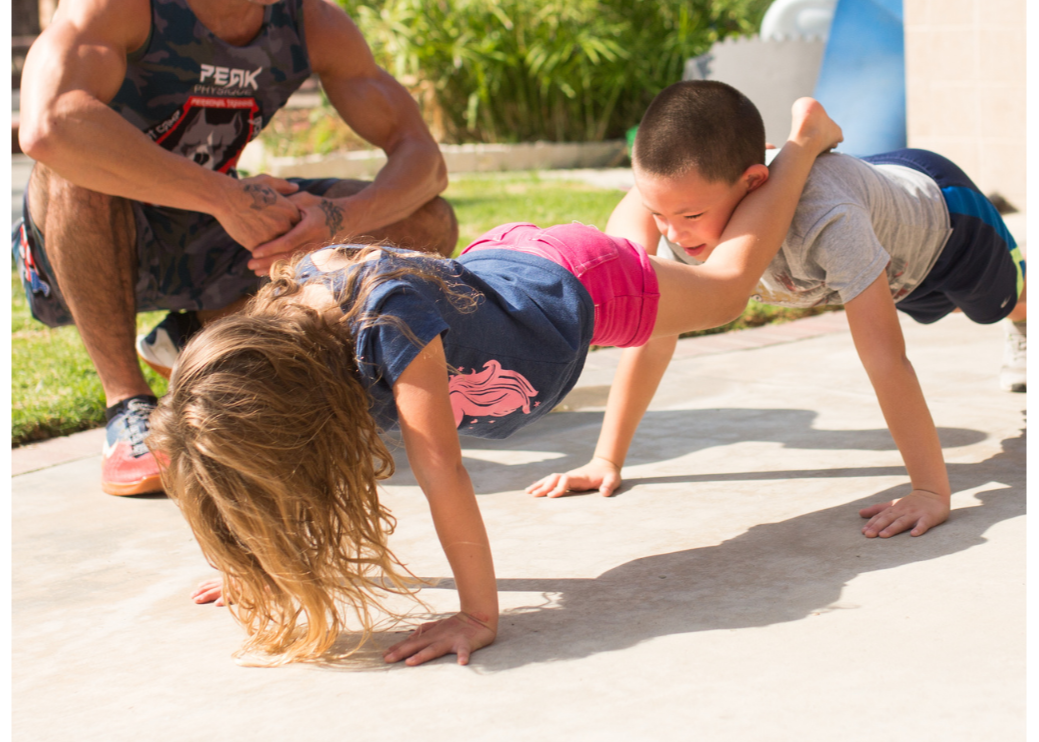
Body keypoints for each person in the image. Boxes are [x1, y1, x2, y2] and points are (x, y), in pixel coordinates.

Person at [149, 98, 842, 667]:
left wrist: (478, 616)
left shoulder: (392, 326)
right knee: (636, 255)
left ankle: (801, 141)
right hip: (512, 266)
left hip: (568, 290)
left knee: (722, 288)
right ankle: (652, 193)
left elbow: (444, 473)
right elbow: (240, 455)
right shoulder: (283, 333)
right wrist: (248, 562)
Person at [15, 0, 457, 498]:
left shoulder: (309, 20)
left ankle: (190, 337)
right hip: (92, 241)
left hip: (213, 236)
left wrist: (338, 217)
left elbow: (423, 159)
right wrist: (222, 196)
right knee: (75, 165)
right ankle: (128, 408)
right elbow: (47, 126)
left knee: (425, 224)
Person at [529, 80, 1026, 539]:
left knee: (1001, 305)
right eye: (657, 214)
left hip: (947, 226)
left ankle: (1023, 324)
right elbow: (653, 338)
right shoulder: (686, 211)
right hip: (877, 229)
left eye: (690, 215)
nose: (674, 234)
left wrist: (930, 490)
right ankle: (807, 136)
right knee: (923, 302)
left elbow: (885, 359)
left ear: (752, 182)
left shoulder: (829, 221)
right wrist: (605, 459)